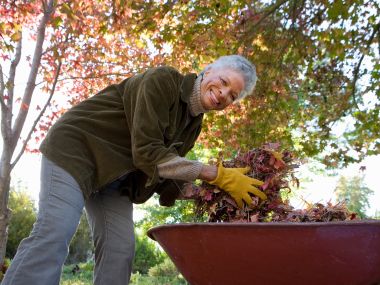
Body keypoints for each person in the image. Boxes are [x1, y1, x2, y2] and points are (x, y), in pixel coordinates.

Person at [2, 55, 267, 285]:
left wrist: (205, 194)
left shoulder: (193, 125)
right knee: (55, 233)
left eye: (232, 95)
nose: (223, 94)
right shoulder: (163, 81)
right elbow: (148, 152)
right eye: (223, 82)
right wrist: (216, 174)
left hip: (116, 176)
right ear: (208, 70)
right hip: (77, 150)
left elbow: (165, 172)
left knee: (120, 249)